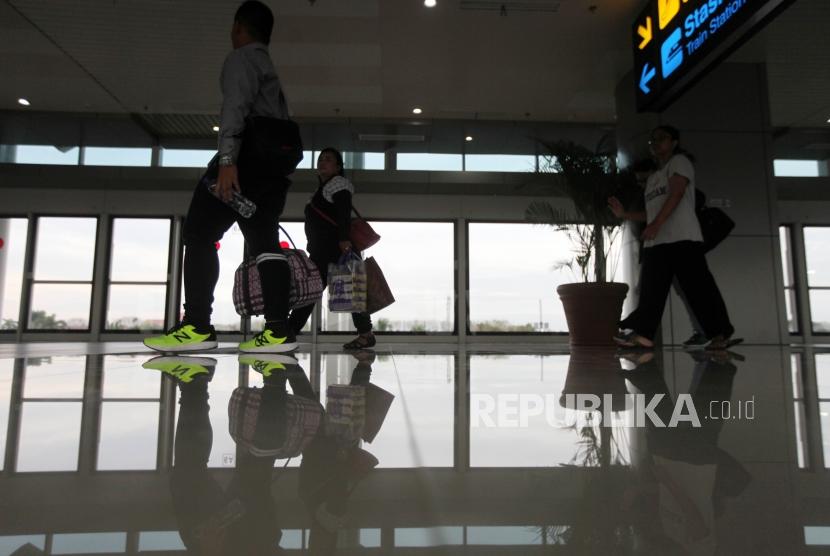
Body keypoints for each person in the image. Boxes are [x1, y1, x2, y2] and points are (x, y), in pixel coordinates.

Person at [145, 1, 297, 354]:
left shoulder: (242, 59)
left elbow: (235, 109)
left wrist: (228, 160)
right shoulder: (268, 68)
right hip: (272, 171)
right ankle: (278, 331)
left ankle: (197, 326)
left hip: (242, 165)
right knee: (265, 246)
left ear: (239, 28)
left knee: (199, 234)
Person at [608, 125, 734, 349]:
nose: (655, 143)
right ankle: (644, 335)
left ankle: (719, 335)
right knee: (651, 291)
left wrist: (656, 224)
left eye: (661, 139)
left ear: (674, 142)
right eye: (652, 140)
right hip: (657, 242)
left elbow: (676, 194)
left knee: (698, 289)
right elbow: (651, 212)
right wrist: (624, 214)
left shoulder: (679, 162)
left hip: (683, 239)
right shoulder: (655, 177)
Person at [287, 148, 375, 350]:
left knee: (311, 290)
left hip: (333, 249)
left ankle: (289, 331)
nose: (322, 162)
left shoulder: (338, 184)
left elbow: (343, 211)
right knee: (350, 291)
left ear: (338, 167)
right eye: (320, 159)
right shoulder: (324, 188)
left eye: (328, 159)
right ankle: (365, 334)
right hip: (325, 249)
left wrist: (344, 239)